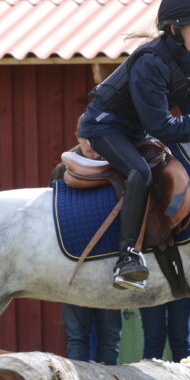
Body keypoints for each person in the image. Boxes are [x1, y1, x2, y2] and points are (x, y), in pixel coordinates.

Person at [78, 0, 190, 290]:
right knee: (139, 171)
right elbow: (164, 126)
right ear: (175, 29)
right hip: (105, 126)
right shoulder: (151, 61)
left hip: (135, 129)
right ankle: (127, 257)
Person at [51, 134, 123, 365]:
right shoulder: (64, 169)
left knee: (110, 337)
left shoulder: (117, 163)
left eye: (96, 138)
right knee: (76, 337)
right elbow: (54, 217)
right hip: (75, 261)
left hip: (108, 262)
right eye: (85, 139)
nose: (91, 145)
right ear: (77, 139)